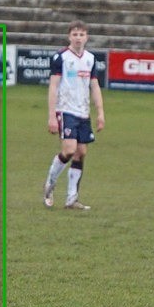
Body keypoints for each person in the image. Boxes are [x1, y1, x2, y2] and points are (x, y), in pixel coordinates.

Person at [43, 20, 105, 210]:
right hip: (66, 110)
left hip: (83, 112)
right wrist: (52, 116)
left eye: (82, 34)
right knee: (69, 150)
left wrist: (100, 112)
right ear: (69, 36)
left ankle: (71, 199)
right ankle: (49, 184)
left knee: (81, 153)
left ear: (86, 37)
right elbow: (53, 86)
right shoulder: (60, 57)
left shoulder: (90, 58)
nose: (78, 38)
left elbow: (94, 86)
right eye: (75, 34)